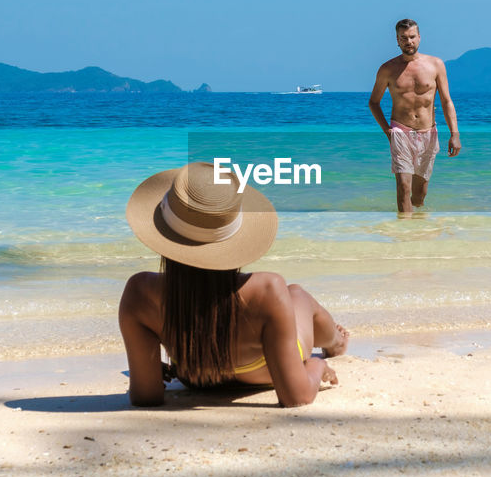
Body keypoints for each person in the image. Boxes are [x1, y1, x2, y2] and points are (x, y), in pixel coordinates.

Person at [119, 162, 348, 408]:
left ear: (163, 232)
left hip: (198, 377)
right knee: (296, 294)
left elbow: (146, 397)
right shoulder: (266, 289)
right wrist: (316, 365)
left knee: (290, 296)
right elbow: (297, 396)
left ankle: (334, 340)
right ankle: (336, 341)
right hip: (266, 372)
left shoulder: (139, 292)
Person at [368, 18, 462, 214]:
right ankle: (403, 239)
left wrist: (455, 134)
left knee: (419, 195)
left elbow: (446, 101)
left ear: (419, 38)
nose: (408, 41)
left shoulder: (435, 65)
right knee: (403, 187)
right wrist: (388, 130)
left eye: (412, 37)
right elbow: (373, 103)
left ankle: (417, 232)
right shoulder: (387, 69)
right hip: (401, 131)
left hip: (429, 133)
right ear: (397, 40)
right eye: (403, 38)